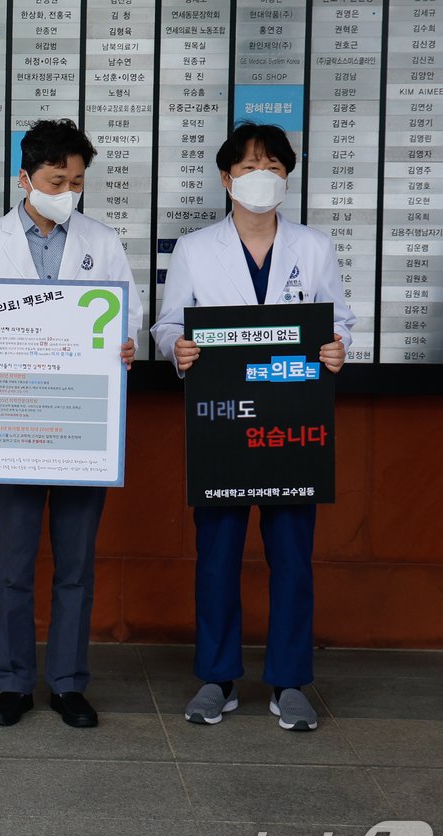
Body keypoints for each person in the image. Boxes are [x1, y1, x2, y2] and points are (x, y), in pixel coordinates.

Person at [151, 122, 356, 732]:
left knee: (293, 556)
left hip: (295, 427)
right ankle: (217, 678)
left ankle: (290, 681)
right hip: (224, 425)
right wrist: (178, 349)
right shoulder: (195, 248)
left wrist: (339, 348)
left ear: (286, 178)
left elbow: (338, 320)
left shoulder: (314, 247)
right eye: (246, 167)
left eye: (270, 166)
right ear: (225, 178)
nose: (259, 176)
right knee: (217, 555)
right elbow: (168, 326)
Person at [0, 119, 143, 729]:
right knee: (14, 564)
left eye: (78, 181)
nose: (69, 191)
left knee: (77, 564)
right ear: (25, 178)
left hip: (83, 427)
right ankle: (11, 683)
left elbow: (127, 318)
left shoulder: (102, 242)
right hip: (18, 424)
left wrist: (127, 345)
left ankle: (68, 683)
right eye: (58, 180)